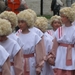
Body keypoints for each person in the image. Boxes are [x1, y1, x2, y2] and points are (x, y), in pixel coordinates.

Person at [17, 10, 46, 75]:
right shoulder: (17, 36)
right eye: (19, 22)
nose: (20, 24)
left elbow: (39, 53)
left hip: (31, 62)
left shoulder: (35, 36)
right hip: (20, 62)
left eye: (22, 22)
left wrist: (39, 66)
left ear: (28, 22)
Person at [47, 7, 75, 75]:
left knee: (70, 69)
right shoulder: (59, 30)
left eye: (63, 17)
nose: (61, 18)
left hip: (71, 53)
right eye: (61, 16)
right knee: (60, 68)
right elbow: (55, 45)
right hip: (61, 53)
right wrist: (52, 56)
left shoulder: (74, 29)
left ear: (68, 17)